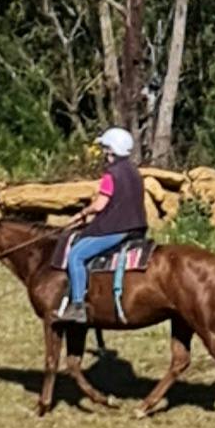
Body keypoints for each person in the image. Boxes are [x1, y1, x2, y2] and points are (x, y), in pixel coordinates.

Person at [59, 126, 149, 324]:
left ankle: (77, 305)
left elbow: (100, 204)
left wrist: (82, 213)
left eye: (105, 148)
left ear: (112, 149)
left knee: (76, 255)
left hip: (115, 227)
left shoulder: (111, 174)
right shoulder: (134, 172)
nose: (104, 152)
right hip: (137, 227)